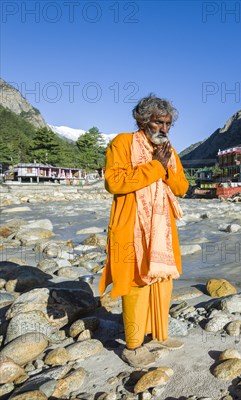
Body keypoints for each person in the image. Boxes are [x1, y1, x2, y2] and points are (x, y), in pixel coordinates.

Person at [99, 95, 189, 368]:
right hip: (131, 226)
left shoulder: (169, 151)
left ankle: (157, 335)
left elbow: (182, 188)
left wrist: (165, 166)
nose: (164, 128)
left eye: (168, 123)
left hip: (162, 227)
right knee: (136, 281)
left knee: (162, 281)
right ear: (142, 121)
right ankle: (134, 346)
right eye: (158, 122)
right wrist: (155, 166)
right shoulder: (122, 143)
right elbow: (114, 183)